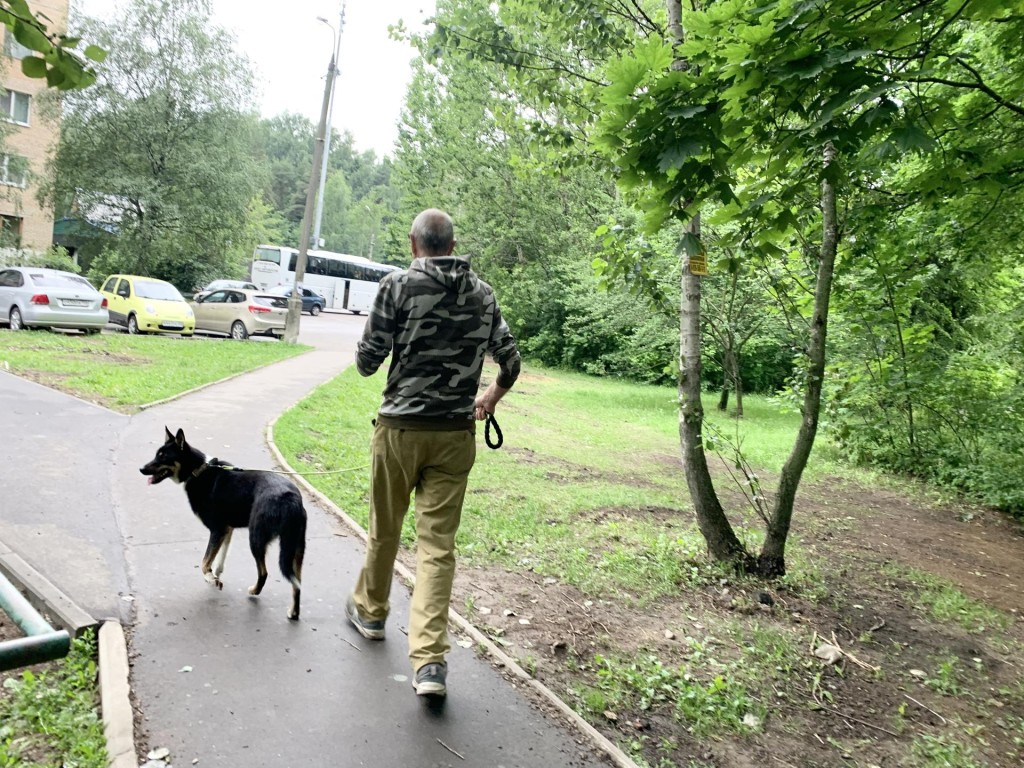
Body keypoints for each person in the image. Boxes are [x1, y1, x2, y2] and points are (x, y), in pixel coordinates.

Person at [346, 208, 521, 698]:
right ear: (452, 243)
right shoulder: (483, 294)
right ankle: (430, 664)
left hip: (400, 432)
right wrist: (488, 397)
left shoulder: (396, 287)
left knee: (385, 529)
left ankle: (372, 613)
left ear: (413, 242)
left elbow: (365, 363)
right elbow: (510, 361)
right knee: (437, 548)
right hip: (454, 437)